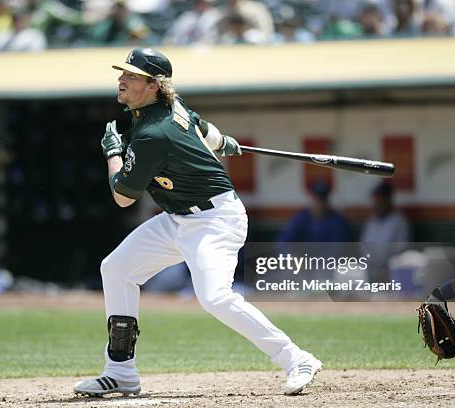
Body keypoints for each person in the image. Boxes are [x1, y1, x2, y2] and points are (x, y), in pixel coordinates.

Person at [73, 48, 322, 397]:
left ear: (154, 85)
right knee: (116, 269)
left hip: (215, 219)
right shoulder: (170, 107)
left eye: (131, 75)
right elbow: (207, 131)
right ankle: (120, 371)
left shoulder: (152, 134)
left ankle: (296, 358)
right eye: (123, 74)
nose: (121, 80)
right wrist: (223, 142)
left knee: (214, 297)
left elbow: (123, 196)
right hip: (178, 218)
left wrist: (112, 153)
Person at [360, 181, 410, 282]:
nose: (377, 201)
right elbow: (363, 247)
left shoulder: (399, 221)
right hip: (369, 272)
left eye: (380, 198)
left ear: (388, 199)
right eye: (375, 197)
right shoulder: (371, 222)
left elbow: (402, 251)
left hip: (390, 275)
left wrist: (383, 265)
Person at [277, 180, 351, 243]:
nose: (319, 203)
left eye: (322, 199)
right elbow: (282, 243)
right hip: (303, 258)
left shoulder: (338, 221)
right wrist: (292, 256)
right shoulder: (301, 218)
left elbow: (339, 250)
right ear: (311, 198)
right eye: (316, 198)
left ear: (327, 199)